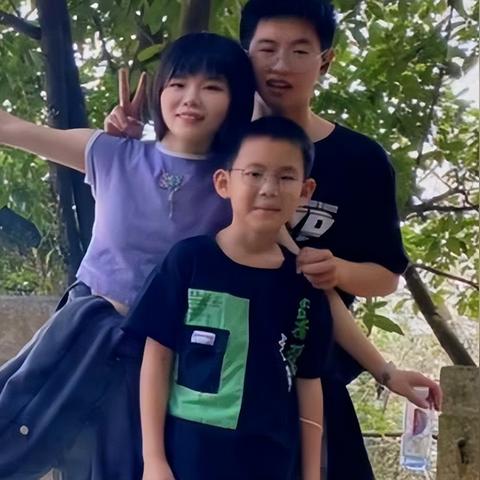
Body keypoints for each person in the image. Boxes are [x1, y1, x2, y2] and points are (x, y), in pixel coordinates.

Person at [103, 2, 417, 478]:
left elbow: (384, 277)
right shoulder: (216, 147)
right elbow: (150, 182)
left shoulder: (362, 161)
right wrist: (123, 140)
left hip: (306, 378)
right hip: (202, 398)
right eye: (266, 50)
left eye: (299, 51)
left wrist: (338, 275)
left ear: (325, 61)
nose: (280, 65)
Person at [0, 32, 256, 480]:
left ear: (237, 100)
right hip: (85, 334)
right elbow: (12, 129)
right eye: (178, 83)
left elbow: (287, 258)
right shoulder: (110, 152)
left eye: (213, 87)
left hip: (172, 356)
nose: (191, 98)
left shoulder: (239, 181)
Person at [125, 116, 328, 480]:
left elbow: (309, 381)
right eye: (254, 173)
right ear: (223, 182)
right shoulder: (190, 261)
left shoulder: (304, 285)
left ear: (305, 190)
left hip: (272, 463)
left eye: (286, 177)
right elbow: (157, 357)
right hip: (188, 460)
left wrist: (311, 475)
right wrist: (153, 459)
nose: (269, 188)